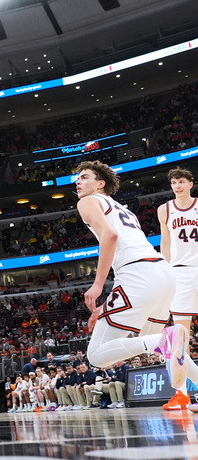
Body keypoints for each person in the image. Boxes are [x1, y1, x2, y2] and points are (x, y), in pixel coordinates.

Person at [78, 161, 190, 391]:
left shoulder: (88, 201)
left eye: (84, 177)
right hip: (162, 273)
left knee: (97, 356)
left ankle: (166, 339)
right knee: (163, 347)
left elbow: (109, 236)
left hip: (137, 274)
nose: (78, 182)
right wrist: (107, 305)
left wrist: (98, 284)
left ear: (100, 184)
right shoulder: (123, 209)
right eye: (77, 178)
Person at [158, 167, 198, 410]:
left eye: (181, 181)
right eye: (173, 182)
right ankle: (181, 394)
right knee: (179, 338)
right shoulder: (165, 209)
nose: (177, 186)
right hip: (180, 272)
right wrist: (165, 270)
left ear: (191, 183)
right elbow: (166, 241)